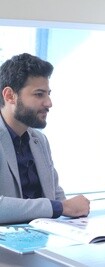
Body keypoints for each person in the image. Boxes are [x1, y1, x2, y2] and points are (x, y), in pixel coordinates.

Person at [0, 53, 90, 224]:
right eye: (39, 94)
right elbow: (58, 206)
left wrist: (74, 213)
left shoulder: (39, 140)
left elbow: (56, 195)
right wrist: (61, 208)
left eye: (48, 94)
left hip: (43, 237)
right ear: (10, 96)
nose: (49, 103)